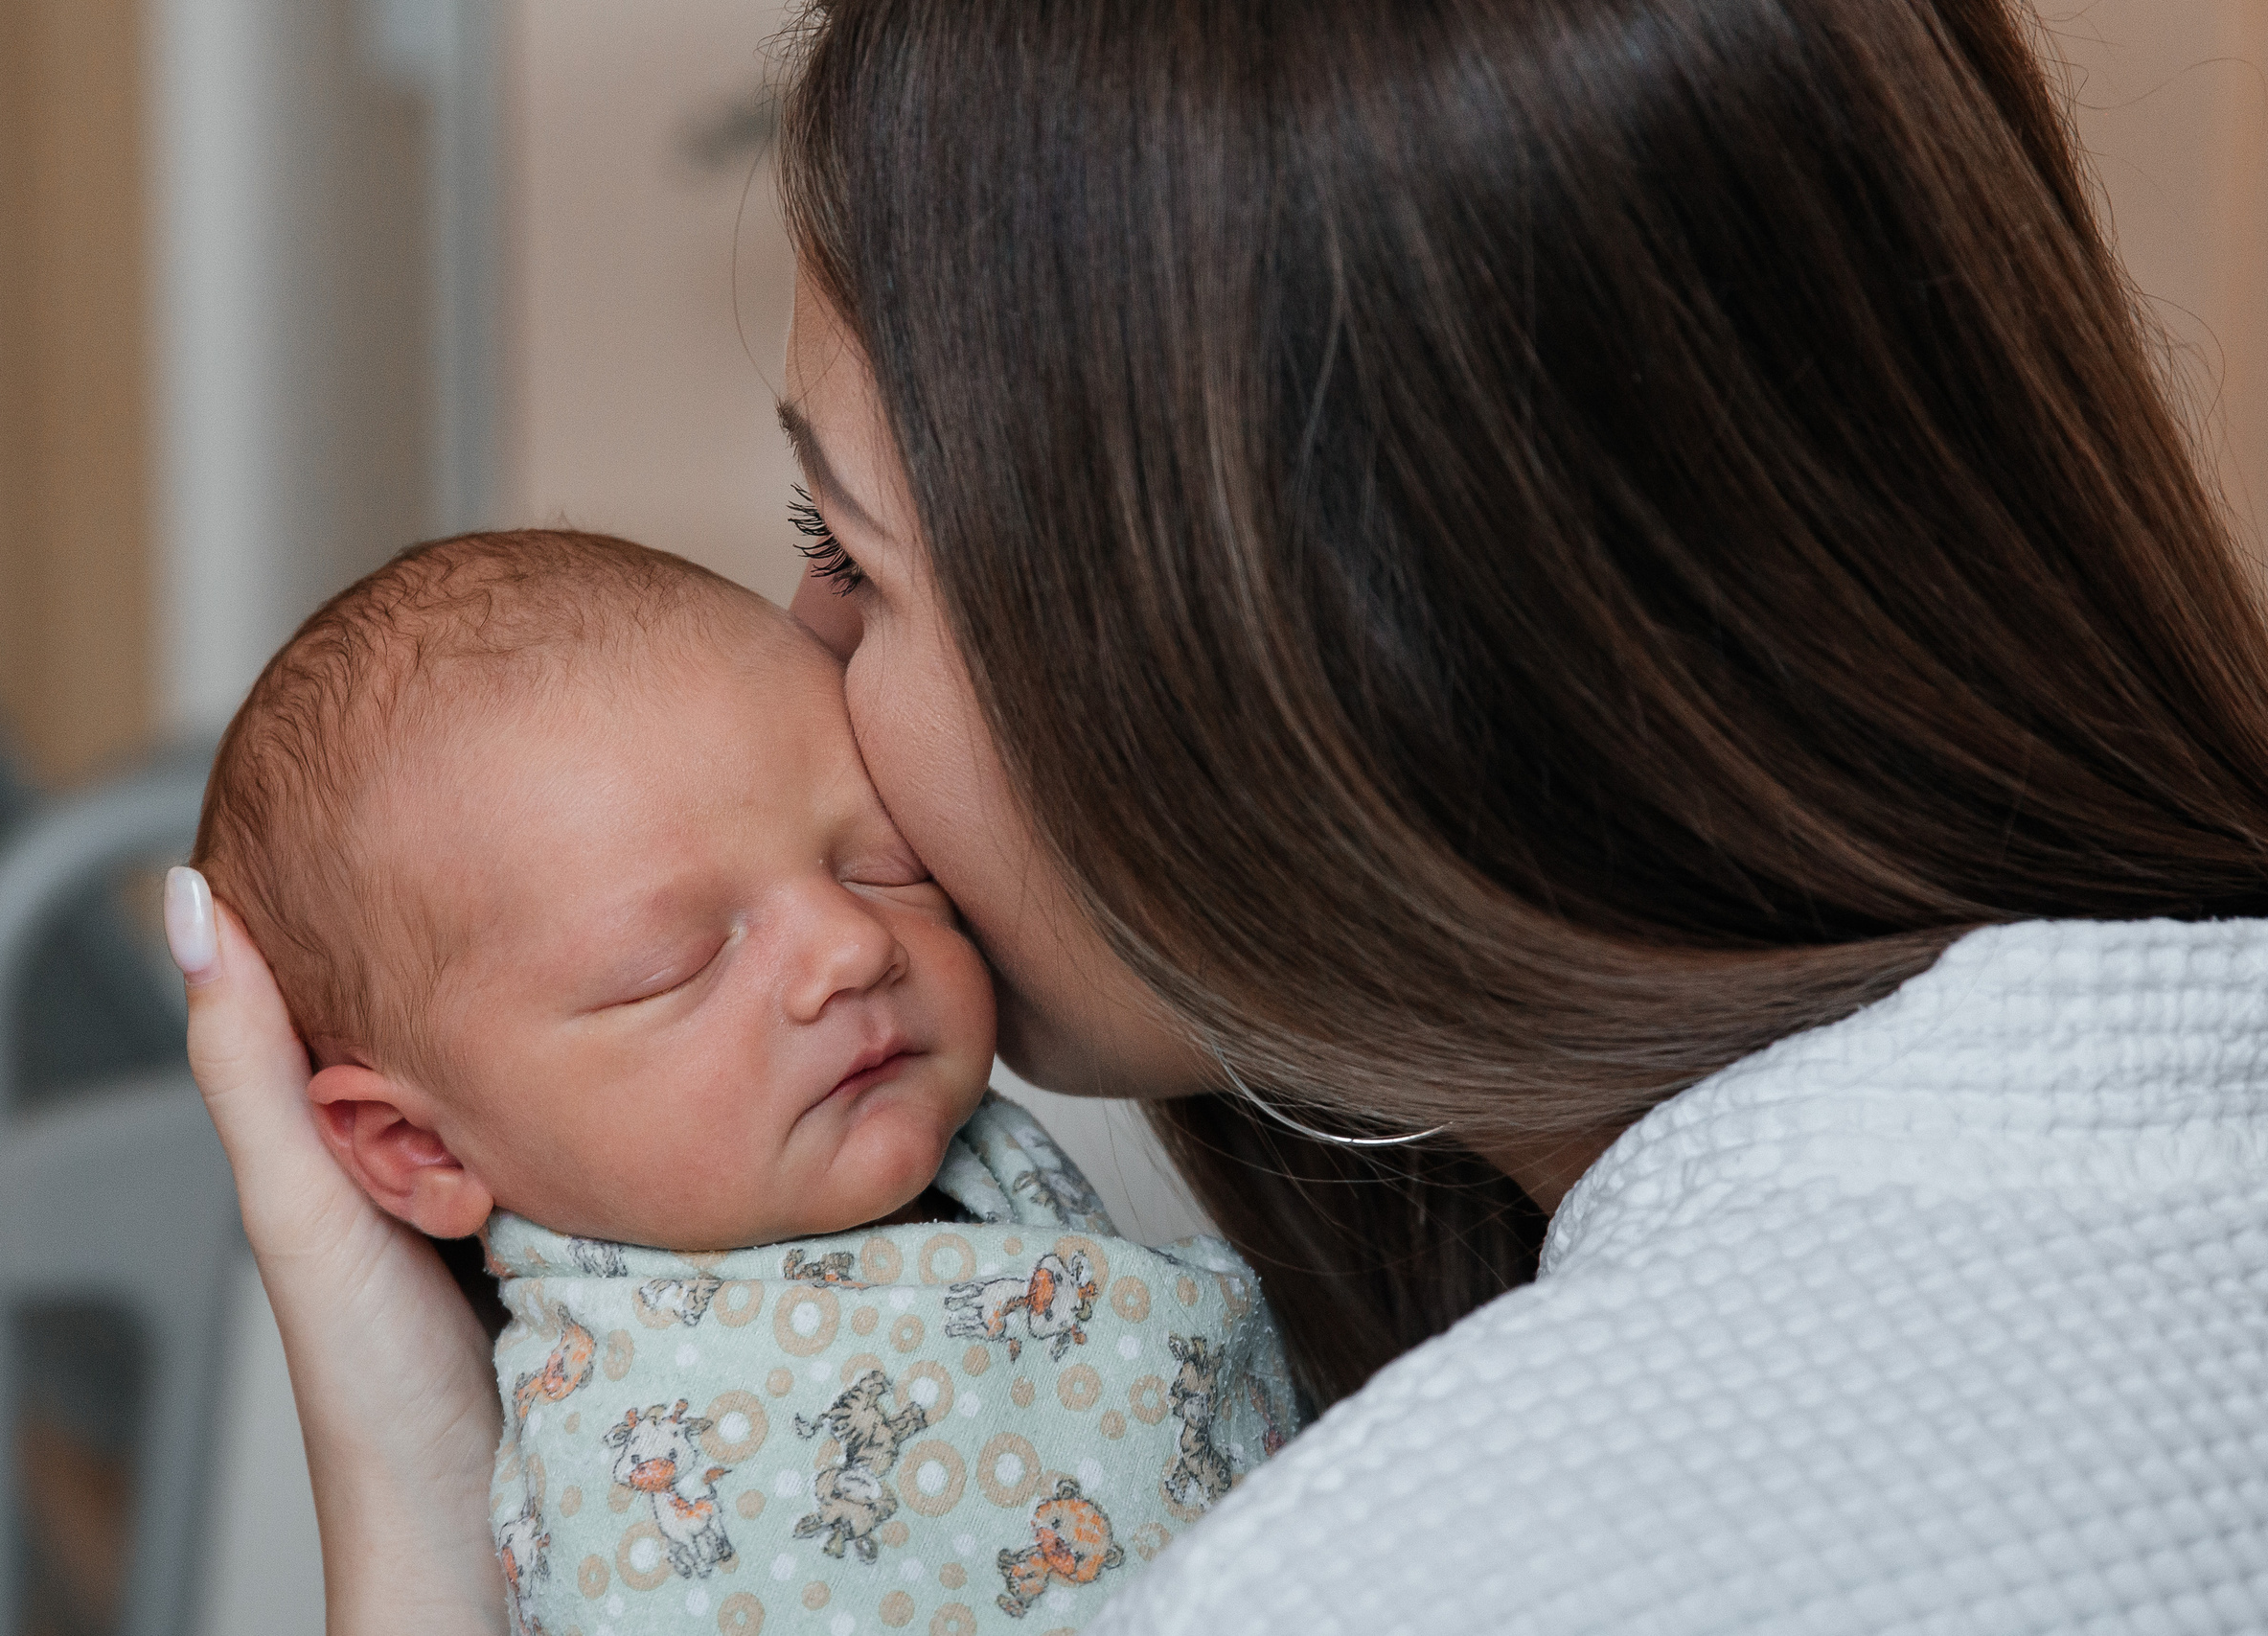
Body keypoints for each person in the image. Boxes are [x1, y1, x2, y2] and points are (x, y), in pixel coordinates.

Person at [166, 0, 2268, 1628]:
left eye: (850, 548)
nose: (802, 660)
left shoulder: (1439, 1563)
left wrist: (412, 1544)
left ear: (1298, 657)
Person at [177, 528, 1292, 1634]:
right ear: (421, 1147)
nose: (852, 946)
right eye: (679, 965)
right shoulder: (637, 1477)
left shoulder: (1000, 1137)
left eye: (883, 865)